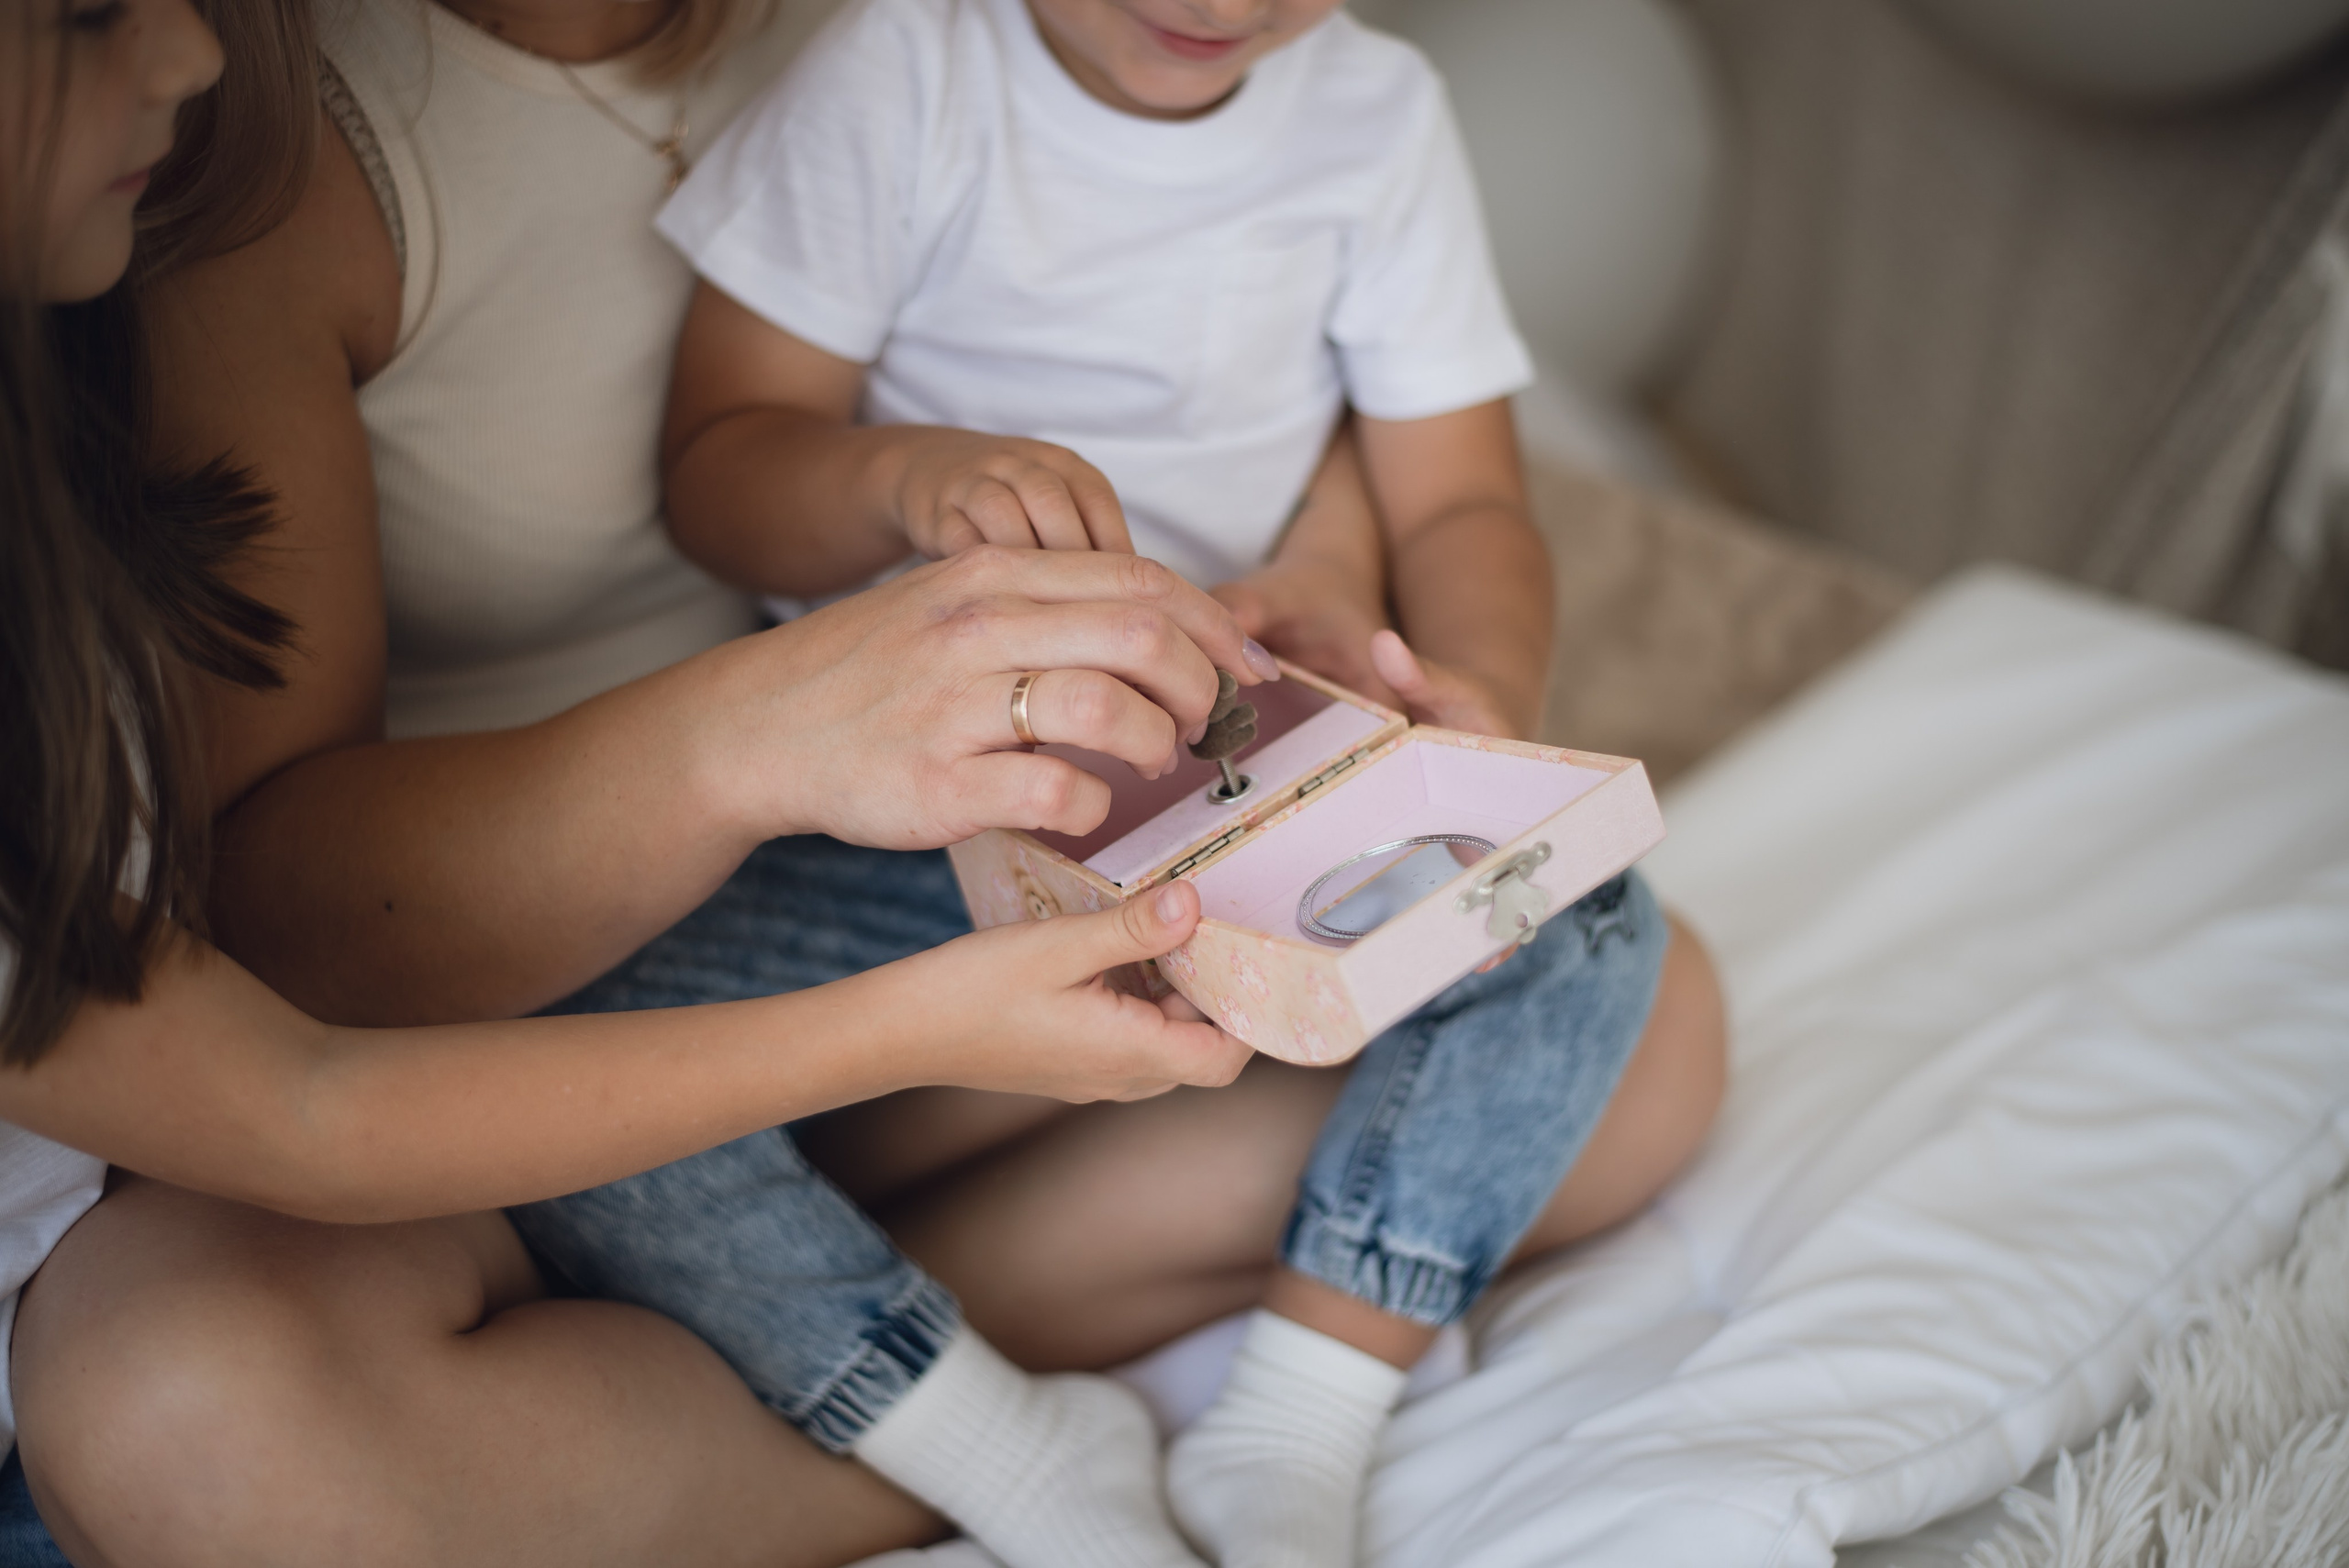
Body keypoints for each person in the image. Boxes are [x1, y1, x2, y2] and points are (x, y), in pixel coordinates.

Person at [128, 0, 1725, 1559]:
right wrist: (911, 480)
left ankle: (1294, 1413)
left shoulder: (1368, 112)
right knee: (487, 1152)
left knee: (1599, 944)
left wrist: (1454, 694)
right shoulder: (896, 72)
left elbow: (1444, 488)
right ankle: (968, 1426)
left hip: (1192, 809)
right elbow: (730, 465)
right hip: (858, 835)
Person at [0, 0, 1298, 1561]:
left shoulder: (1027, 43)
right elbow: (300, 1083)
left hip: (864, 947)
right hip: (475, 1024)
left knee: (1550, 1022)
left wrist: (1333, 578)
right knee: (193, 1409)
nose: (186, 50)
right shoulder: (243, 170)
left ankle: (881, 1361)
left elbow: (1333, 360)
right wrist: (775, 756)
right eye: (84, 14)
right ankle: (943, 1423)